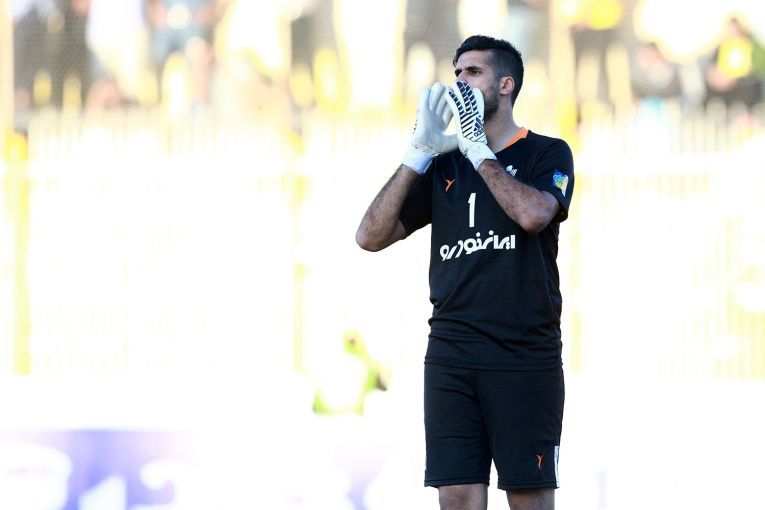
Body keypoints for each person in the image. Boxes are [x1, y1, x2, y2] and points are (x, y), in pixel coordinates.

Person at [355, 35, 574, 510]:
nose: (459, 82)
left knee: (529, 498)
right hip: (451, 354)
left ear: (505, 85)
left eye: (473, 72)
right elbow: (369, 236)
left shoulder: (547, 152)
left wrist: (480, 153)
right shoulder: (443, 164)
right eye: (456, 72)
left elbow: (533, 214)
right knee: (455, 495)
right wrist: (417, 154)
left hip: (523, 355)